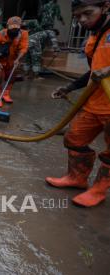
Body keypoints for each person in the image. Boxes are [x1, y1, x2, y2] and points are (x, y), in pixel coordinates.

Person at [47, 0, 110, 207]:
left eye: (87, 13)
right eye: (77, 16)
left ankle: (98, 190)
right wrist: (70, 87)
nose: (82, 20)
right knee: (74, 138)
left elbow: (104, 70)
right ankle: (77, 178)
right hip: (95, 102)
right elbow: (94, 71)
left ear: (106, 6)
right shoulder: (94, 36)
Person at [0, 16, 29, 107]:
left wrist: (18, 59)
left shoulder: (24, 34)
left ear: (20, 27)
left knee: (11, 77)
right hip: (0, 60)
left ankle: (6, 94)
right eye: (12, 28)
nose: (14, 31)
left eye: (16, 28)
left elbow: (24, 48)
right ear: (7, 26)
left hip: (13, 60)